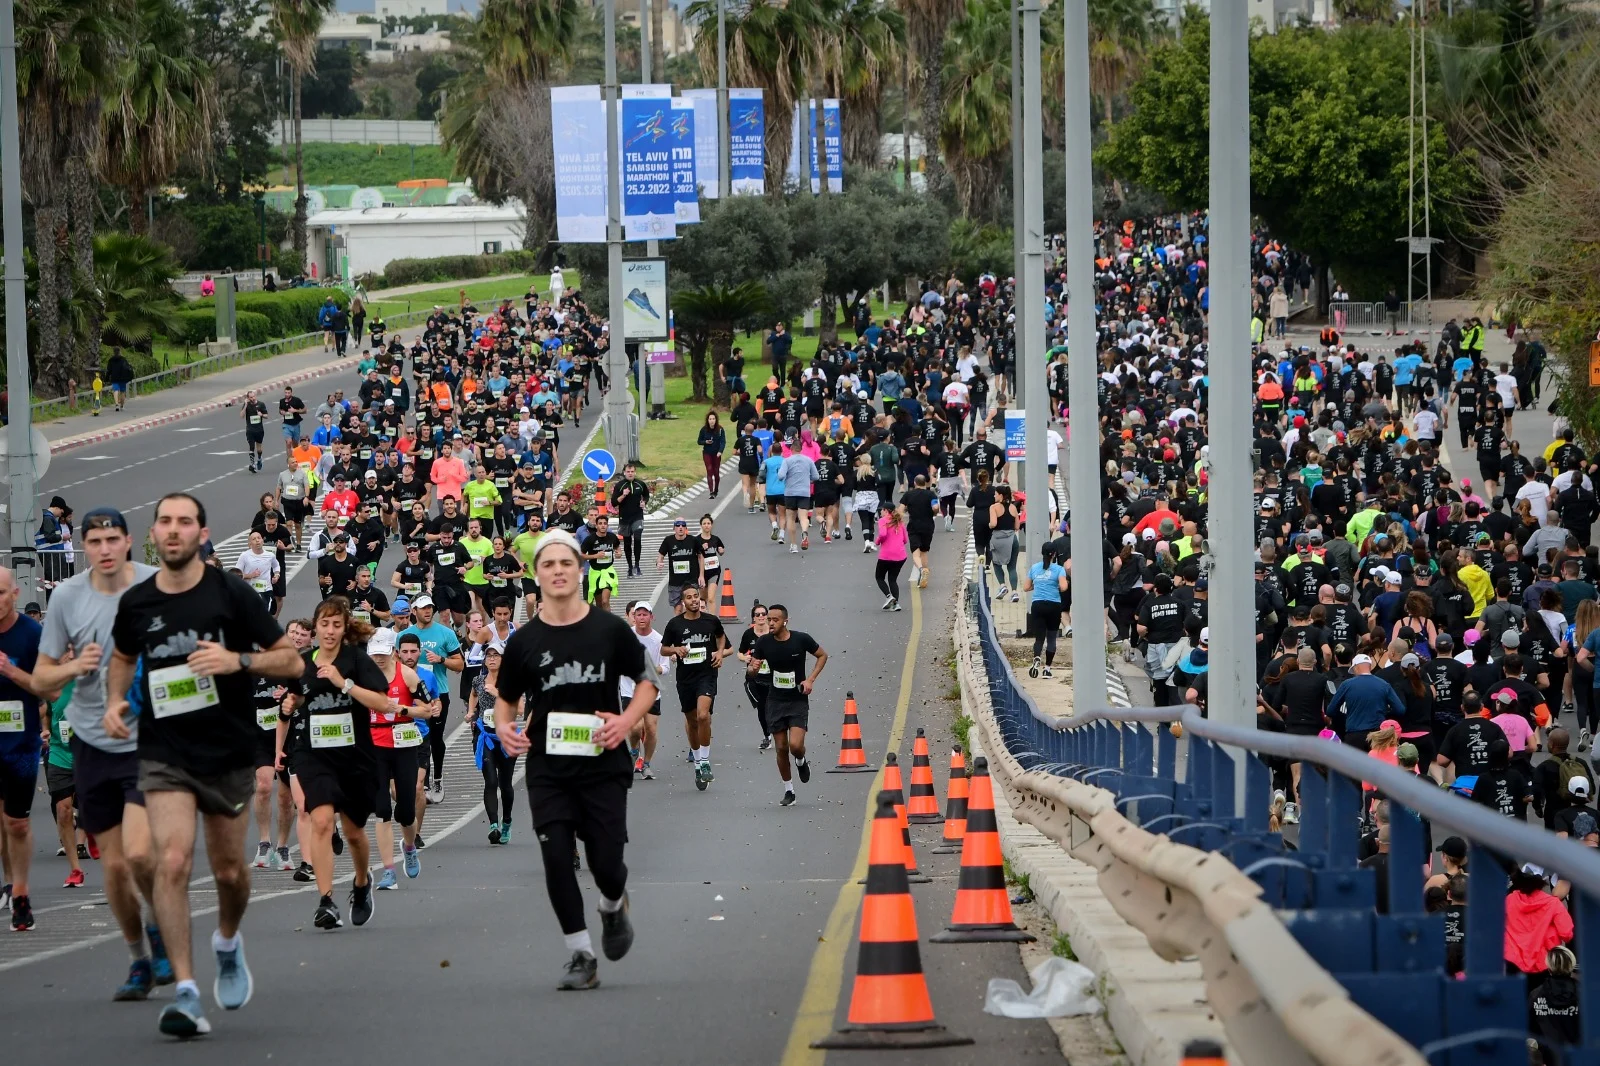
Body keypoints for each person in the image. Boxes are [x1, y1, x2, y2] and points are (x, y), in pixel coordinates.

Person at [103, 493, 303, 1038]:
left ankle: (227, 941)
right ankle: (188, 993)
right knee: (171, 860)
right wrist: (117, 700)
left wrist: (237, 660)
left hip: (229, 752)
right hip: (164, 750)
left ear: (202, 533)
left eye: (183, 522)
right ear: (154, 534)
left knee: (231, 874)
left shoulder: (230, 593)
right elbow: (122, 658)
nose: (173, 531)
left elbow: (291, 659)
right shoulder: (138, 602)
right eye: (164, 522)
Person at [491, 529, 656, 990]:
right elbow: (506, 699)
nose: (559, 571)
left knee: (606, 864)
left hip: (603, 761)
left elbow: (648, 682)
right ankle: (580, 954)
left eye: (567, 563)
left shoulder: (609, 629)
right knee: (558, 859)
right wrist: (505, 726)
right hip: (548, 766)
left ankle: (611, 906)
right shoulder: (524, 641)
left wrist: (625, 722)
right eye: (549, 564)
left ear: (580, 569)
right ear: (536, 574)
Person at [32, 507, 170, 992]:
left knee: (138, 853)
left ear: (128, 541)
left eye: (113, 539)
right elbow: (41, 678)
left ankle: (158, 925)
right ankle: (139, 957)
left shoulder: (156, 586)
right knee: (113, 866)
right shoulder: (68, 597)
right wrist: (72, 668)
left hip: (146, 740)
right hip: (91, 741)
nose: (106, 549)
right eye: (96, 542)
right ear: (83, 547)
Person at [282, 598, 392, 930]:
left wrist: (344, 684)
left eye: (336, 625)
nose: (329, 631)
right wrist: (292, 702)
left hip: (355, 756)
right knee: (321, 820)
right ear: (315, 627)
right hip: (313, 754)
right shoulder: (301, 663)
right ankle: (326, 900)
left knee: (355, 832)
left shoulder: (356, 659)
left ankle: (361, 882)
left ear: (345, 629)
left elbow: (383, 702)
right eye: (324, 624)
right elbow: (298, 695)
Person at [367, 627, 434, 889]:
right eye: (375, 654)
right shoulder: (364, 676)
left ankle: (408, 846)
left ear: (393, 652)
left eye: (383, 654)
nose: (379, 659)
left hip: (404, 743)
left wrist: (403, 709)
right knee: (382, 809)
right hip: (375, 745)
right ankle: (389, 870)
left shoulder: (407, 676)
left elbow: (427, 710)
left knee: (405, 811)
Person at [746, 604, 827, 805]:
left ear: (785, 621)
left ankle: (800, 760)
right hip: (775, 700)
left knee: (796, 746)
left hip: (797, 699)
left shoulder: (801, 639)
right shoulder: (763, 643)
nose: (770, 623)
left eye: (775, 620)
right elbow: (752, 671)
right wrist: (752, 669)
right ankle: (789, 790)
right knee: (781, 747)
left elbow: (822, 655)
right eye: (769, 619)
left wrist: (810, 680)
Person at [0, 566, 43, 933]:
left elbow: (51, 689)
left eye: (1, 593)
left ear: (14, 593)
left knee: (16, 822)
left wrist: (14, 674)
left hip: (20, 744)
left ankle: (21, 891)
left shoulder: (31, 635)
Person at [660, 584, 730, 790]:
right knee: (691, 721)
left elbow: (721, 636)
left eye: (696, 596)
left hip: (706, 675)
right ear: (683, 601)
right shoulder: (675, 625)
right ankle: (698, 762)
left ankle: (706, 761)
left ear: (700, 599)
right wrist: (676, 649)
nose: (693, 600)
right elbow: (663, 649)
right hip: (685, 678)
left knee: (703, 715)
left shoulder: (711, 621)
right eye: (689, 597)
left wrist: (719, 652)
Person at [467, 644, 518, 844]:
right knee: (491, 781)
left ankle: (506, 822)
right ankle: (493, 826)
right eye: (488, 655)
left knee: (505, 784)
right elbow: (473, 695)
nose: (492, 659)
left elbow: (520, 708)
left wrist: (498, 693)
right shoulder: (478, 680)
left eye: (496, 655)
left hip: (506, 736)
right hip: (484, 735)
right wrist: (471, 713)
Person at [624, 600, 670, 776]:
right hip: (629, 689)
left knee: (650, 729)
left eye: (645, 614)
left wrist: (650, 668)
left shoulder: (659, 640)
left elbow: (665, 668)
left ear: (651, 616)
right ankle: (634, 751)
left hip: (651, 690)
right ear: (633, 617)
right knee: (636, 728)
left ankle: (647, 763)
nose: (641, 618)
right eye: (638, 614)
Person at [1024, 543, 1069, 678]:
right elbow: (1063, 587)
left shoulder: (1034, 568)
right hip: (1053, 606)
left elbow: (1026, 587)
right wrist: (1056, 585)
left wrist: (1037, 585)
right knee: (1051, 638)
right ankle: (1047, 669)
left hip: (1037, 605)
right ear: (1054, 554)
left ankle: (1037, 656)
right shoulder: (1059, 569)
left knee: (1039, 638)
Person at [874, 505, 910, 611]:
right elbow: (905, 540)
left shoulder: (883, 520)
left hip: (886, 555)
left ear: (886, 510)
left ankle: (889, 597)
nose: (880, 511)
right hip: (900, 555)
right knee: (892, 579)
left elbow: (883, 534)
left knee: (879, 577)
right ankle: (896, 604)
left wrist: (877, 541)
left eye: (882, 510)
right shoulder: (899, 521)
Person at [697, 411, 726, 499]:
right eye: (710, 419)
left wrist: (720, 451)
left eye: (713, 419)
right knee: (709, 469)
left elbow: (723, 441)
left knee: (716, 471)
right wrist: (705, 442)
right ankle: (711, 491)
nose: (712, 421)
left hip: (716, 453)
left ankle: (716, 489)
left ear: (716, 420)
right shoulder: (704, 429)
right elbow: (699, 441)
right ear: (707, 420)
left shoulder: (720, 429)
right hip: (707, 452)